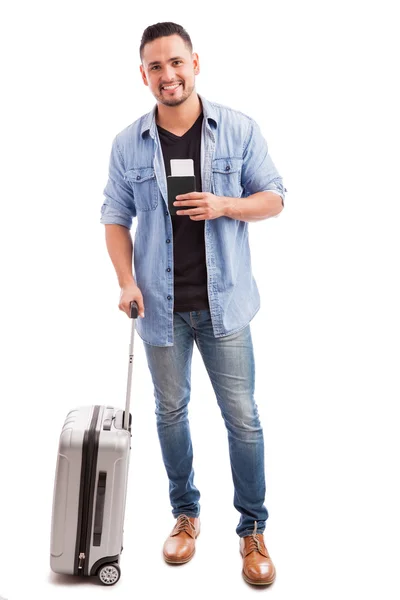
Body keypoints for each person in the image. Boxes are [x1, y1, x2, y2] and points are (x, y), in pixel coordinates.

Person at [100, 21, 287, 586]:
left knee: (243, 420)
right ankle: (185, 516)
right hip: (159, 309)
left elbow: (275, 197)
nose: (168, 75)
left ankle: (252, 529)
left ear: (195, 62)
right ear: (143, 75)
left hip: (224, 306)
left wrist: (227, 204)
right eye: (155, 67)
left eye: (175, 62)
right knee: (171, 414)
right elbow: (114, 216)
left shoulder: (237, 129)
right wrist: (125, 281)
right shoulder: (128, 143)